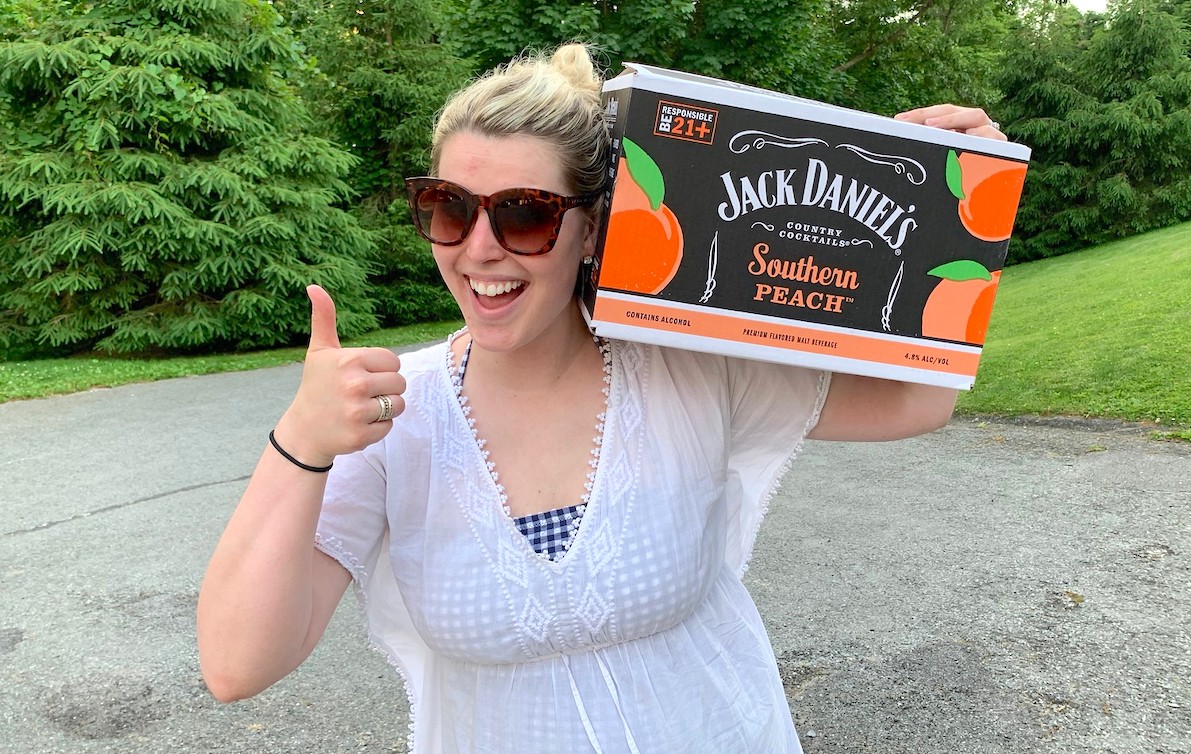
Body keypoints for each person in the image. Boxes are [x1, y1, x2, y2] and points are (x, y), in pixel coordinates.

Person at [197, 43, 1009, 753]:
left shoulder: (686, 369)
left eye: (524, 214)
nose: (479, 248)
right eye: (447, 207)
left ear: (591, 228)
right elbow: (237, 666)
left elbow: (917, 402)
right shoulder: (391, 417)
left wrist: (963, 207)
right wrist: (298, 445)